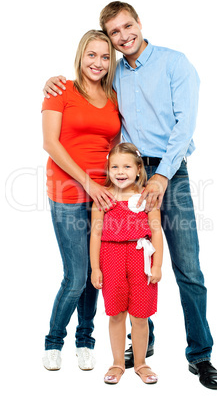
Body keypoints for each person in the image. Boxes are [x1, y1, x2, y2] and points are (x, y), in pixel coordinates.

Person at [43, 1, 217, 390]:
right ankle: (143, 344)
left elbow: (185, 124)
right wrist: (51, 83)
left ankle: (201, 355)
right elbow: (83, 101)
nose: (124, 37)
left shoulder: (176, 64)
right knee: (126, 257)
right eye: (114, 33)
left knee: (187, 266)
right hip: (128, 176)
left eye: (128, 27)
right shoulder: (114, 75)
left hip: (168, 172)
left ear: (139, 23)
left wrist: (160, 177)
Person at [41, 29, 121, 371]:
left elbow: (116, 147)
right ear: (81, 55)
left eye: (105, 57)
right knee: (75, 275)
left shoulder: (114, 97)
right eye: (92, 55)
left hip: (104, 197)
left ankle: (85, 341)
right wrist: (89, 183)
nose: (98, 63)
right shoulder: (60, 90)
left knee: (95, 274)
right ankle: (53, 342)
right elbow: (51, 143)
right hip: (68, 193)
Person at [90, 142, 163, 384]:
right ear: (108, 170)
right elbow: (96, 234)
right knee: (117, 313)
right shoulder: (103, 197)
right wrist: (96, 268)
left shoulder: (146, 197)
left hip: (140, 257)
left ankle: (141, 363)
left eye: (127, 166)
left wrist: (157, 265)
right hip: (111, 258)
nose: (120, 172)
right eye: (114, 167)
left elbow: (156, 231)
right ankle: (117, 363)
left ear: (139, 169)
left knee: (140, 316)